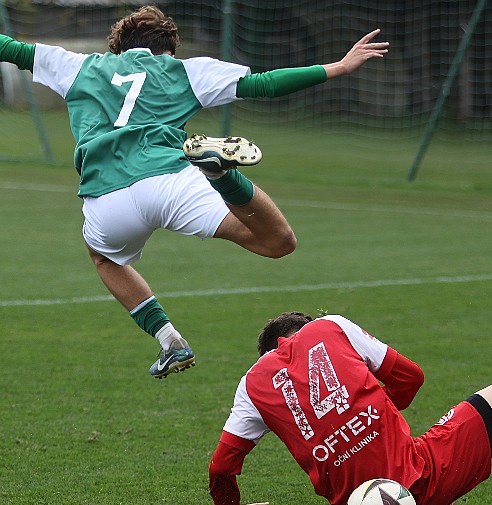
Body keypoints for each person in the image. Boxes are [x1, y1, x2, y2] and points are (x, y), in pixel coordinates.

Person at [0, 6, 389, 379]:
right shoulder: (186, 70)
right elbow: (265, 84)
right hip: (170, 180)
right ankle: (221, 176)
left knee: (104, 258)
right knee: (277, 242)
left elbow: (10, 48)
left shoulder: (80, 65)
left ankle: (169, 340)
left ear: (117, 49)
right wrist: (338, 67)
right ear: (168, 49)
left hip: (107, 199)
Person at [209, 311, 492, 505]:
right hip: (421, 476)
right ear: (304, 329)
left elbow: (221, 468)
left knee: (407, 452)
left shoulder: (251, 385)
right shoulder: (330, 326)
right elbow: (411, 378)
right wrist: (377, 418)